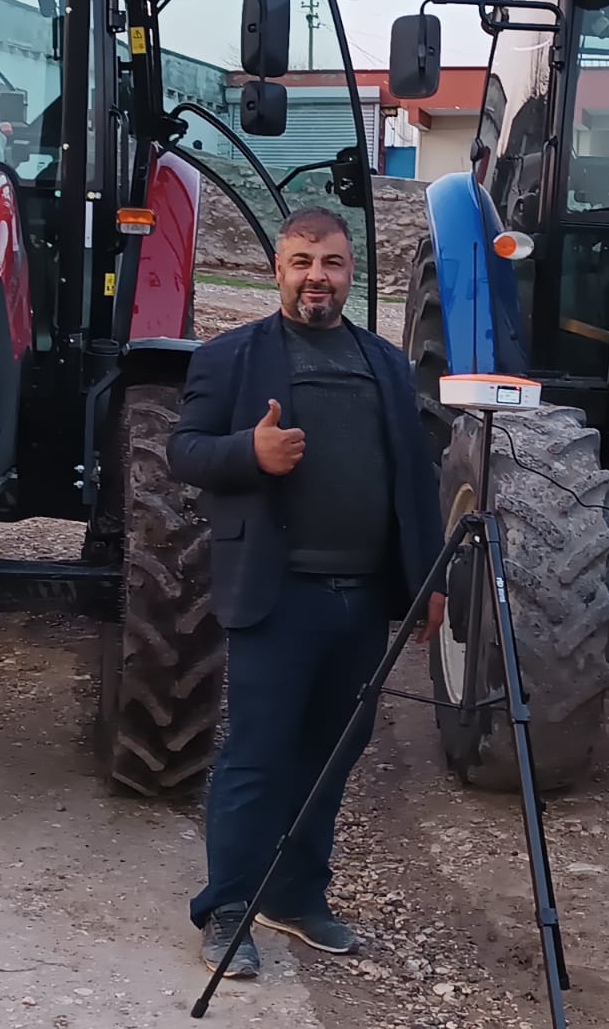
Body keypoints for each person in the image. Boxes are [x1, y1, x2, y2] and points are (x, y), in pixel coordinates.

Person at [167, 206, 447, 979]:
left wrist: (429, 582)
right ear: (278, 270)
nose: (316, 277)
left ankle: (294, 895)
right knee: (257, 755)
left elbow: (417, 483)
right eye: (301, 262)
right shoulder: (230, 357)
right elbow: (183, 451)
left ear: (351, 272)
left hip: (361, 600)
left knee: (331, 753)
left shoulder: (385, 365)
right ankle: (227, 907)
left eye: (330, 263)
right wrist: (250, 452)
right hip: (275, 595)